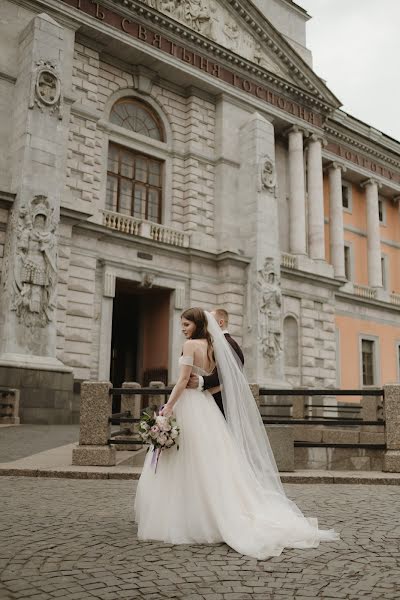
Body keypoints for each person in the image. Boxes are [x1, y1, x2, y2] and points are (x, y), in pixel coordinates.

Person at [134, 307, 339, 559]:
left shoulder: (190, 346)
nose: (183, 328)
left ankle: (189, 515)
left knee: (190, 458)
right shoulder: (211, 347)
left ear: (198, 324)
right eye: (182, 324)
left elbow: (182, 380)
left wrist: (168, 406)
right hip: (205, 405)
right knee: (208, 459)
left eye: (186, 324)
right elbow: (221, 378)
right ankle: (210, 510)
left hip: (190, 403)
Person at [187, 308, 243, 417]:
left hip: (222, 399)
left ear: (220, 322)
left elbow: (228, 373)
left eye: (209, 321)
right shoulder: (220, 342)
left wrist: (202, 380)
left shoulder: (228, 343)